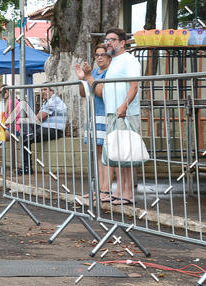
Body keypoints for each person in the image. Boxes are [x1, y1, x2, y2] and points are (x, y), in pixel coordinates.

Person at [78, 28, 142, 206]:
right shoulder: (114, 62)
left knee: (125, 154)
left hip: (125, 112)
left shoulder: (129, 60)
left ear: (122, 42)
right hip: (112, 112)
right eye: (107, 40)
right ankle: (119, 191)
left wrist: (124, 105)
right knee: (117, 153)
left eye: (112, 40)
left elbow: (134, 86)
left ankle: (127, 193)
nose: (108, 43)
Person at [75, 44, 112, 202]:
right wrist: (82, 79)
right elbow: (83, 93)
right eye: (97, 55)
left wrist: (89, 77)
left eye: (103, 54)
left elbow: (101, 92)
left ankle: (106, 189)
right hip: (93, 115)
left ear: (109, 56)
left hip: (105, 114)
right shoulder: (94, 72)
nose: (99, 57)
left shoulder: (110, 72)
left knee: (106, 153)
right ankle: (99, 188)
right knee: (98, 153)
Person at [20, 87, 67, 175]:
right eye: (41, 90)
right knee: (25, 132)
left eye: (45, 89)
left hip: (54, 130)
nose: (43, 92)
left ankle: (27, 168)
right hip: (46, 129)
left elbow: (39, 117)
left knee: (26, 136)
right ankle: (26, 167)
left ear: (52, 91)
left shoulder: (54, 100)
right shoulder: (47, 102)